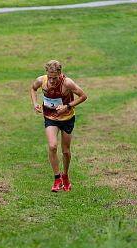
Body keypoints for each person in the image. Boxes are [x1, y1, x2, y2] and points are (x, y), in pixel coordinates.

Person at [30, 60, 87, 192]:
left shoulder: (67, 83)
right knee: (52, 146)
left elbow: (83, 96)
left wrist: (67, 106)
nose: (52, 80)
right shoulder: (41, 80)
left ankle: (65, 176)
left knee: (66, 151)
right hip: (50, 118)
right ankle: (56, 180)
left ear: (60, 74)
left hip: (67, 118)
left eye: (55, 78)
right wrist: (35, 103)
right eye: (50, 77)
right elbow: (33, 88)